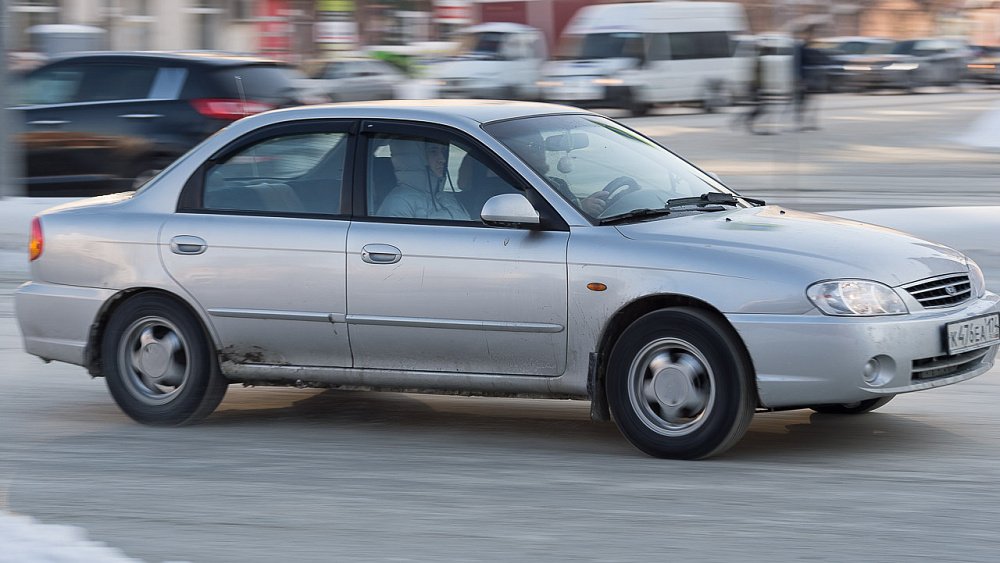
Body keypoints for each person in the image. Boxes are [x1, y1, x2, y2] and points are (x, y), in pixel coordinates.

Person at [506, 132, 609, 217]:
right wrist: (581, 207)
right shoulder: (513, 189)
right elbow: (543, 219)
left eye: (542, 145)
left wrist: (588, 204)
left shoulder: (558, 183)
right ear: (515, 152)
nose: (542, 150)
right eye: (533, 147)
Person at [376, 138, 470, 220]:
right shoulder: (398, 203)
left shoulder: (447, 198)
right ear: (416, 158)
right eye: (433, 151)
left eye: (443, 151)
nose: (442, 159)